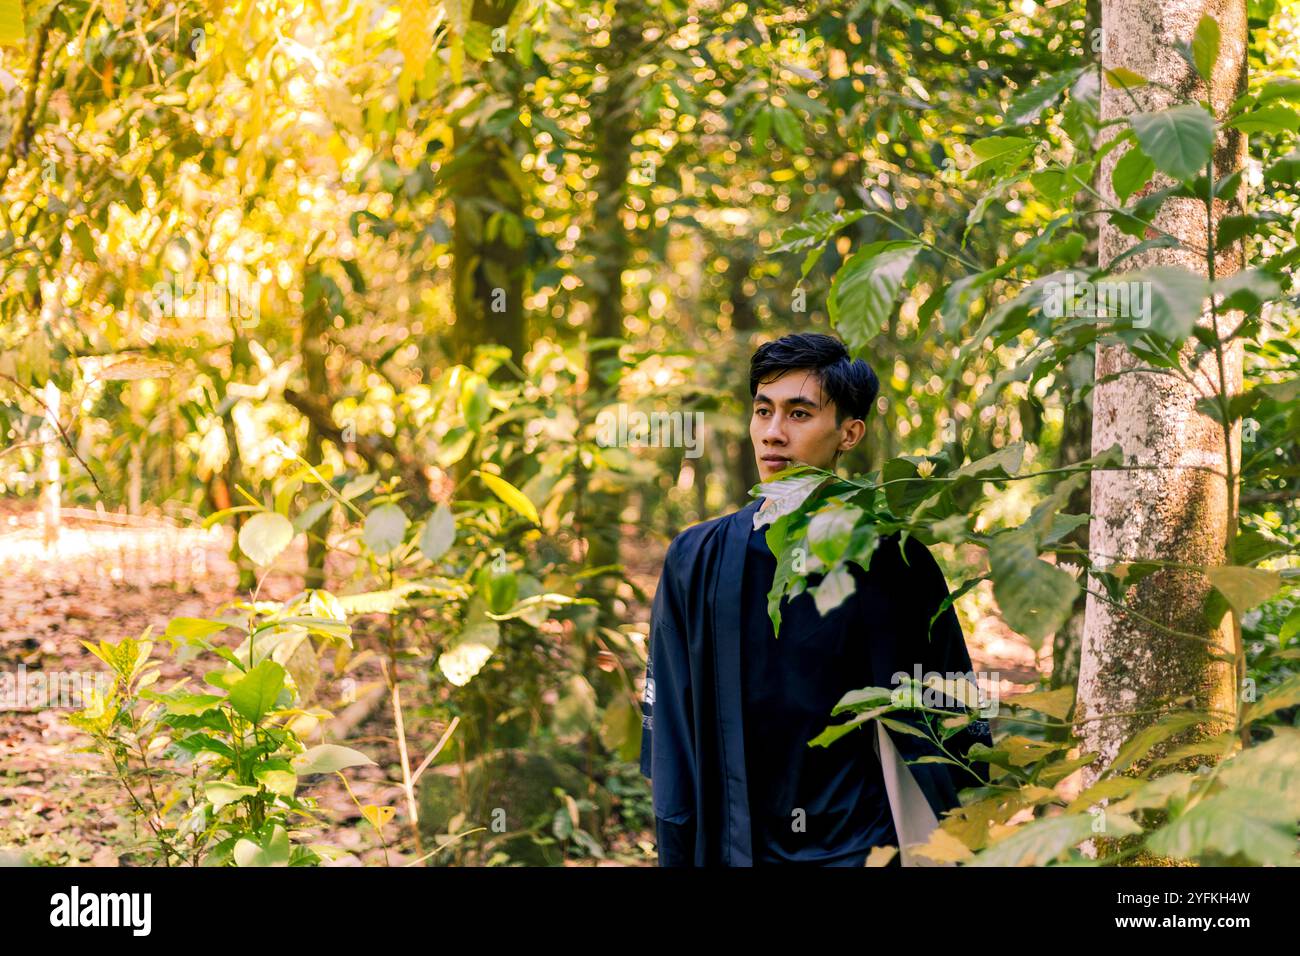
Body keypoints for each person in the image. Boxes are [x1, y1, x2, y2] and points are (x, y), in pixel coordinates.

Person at [638, 332, 992, 867]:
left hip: (862, 849)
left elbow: (953, 719)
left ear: (849, 433)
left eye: (799, 414)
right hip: (738, 845)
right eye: (763, 411)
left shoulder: (893, 560)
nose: (773, 434)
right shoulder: (696, 558)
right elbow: (670, 728)